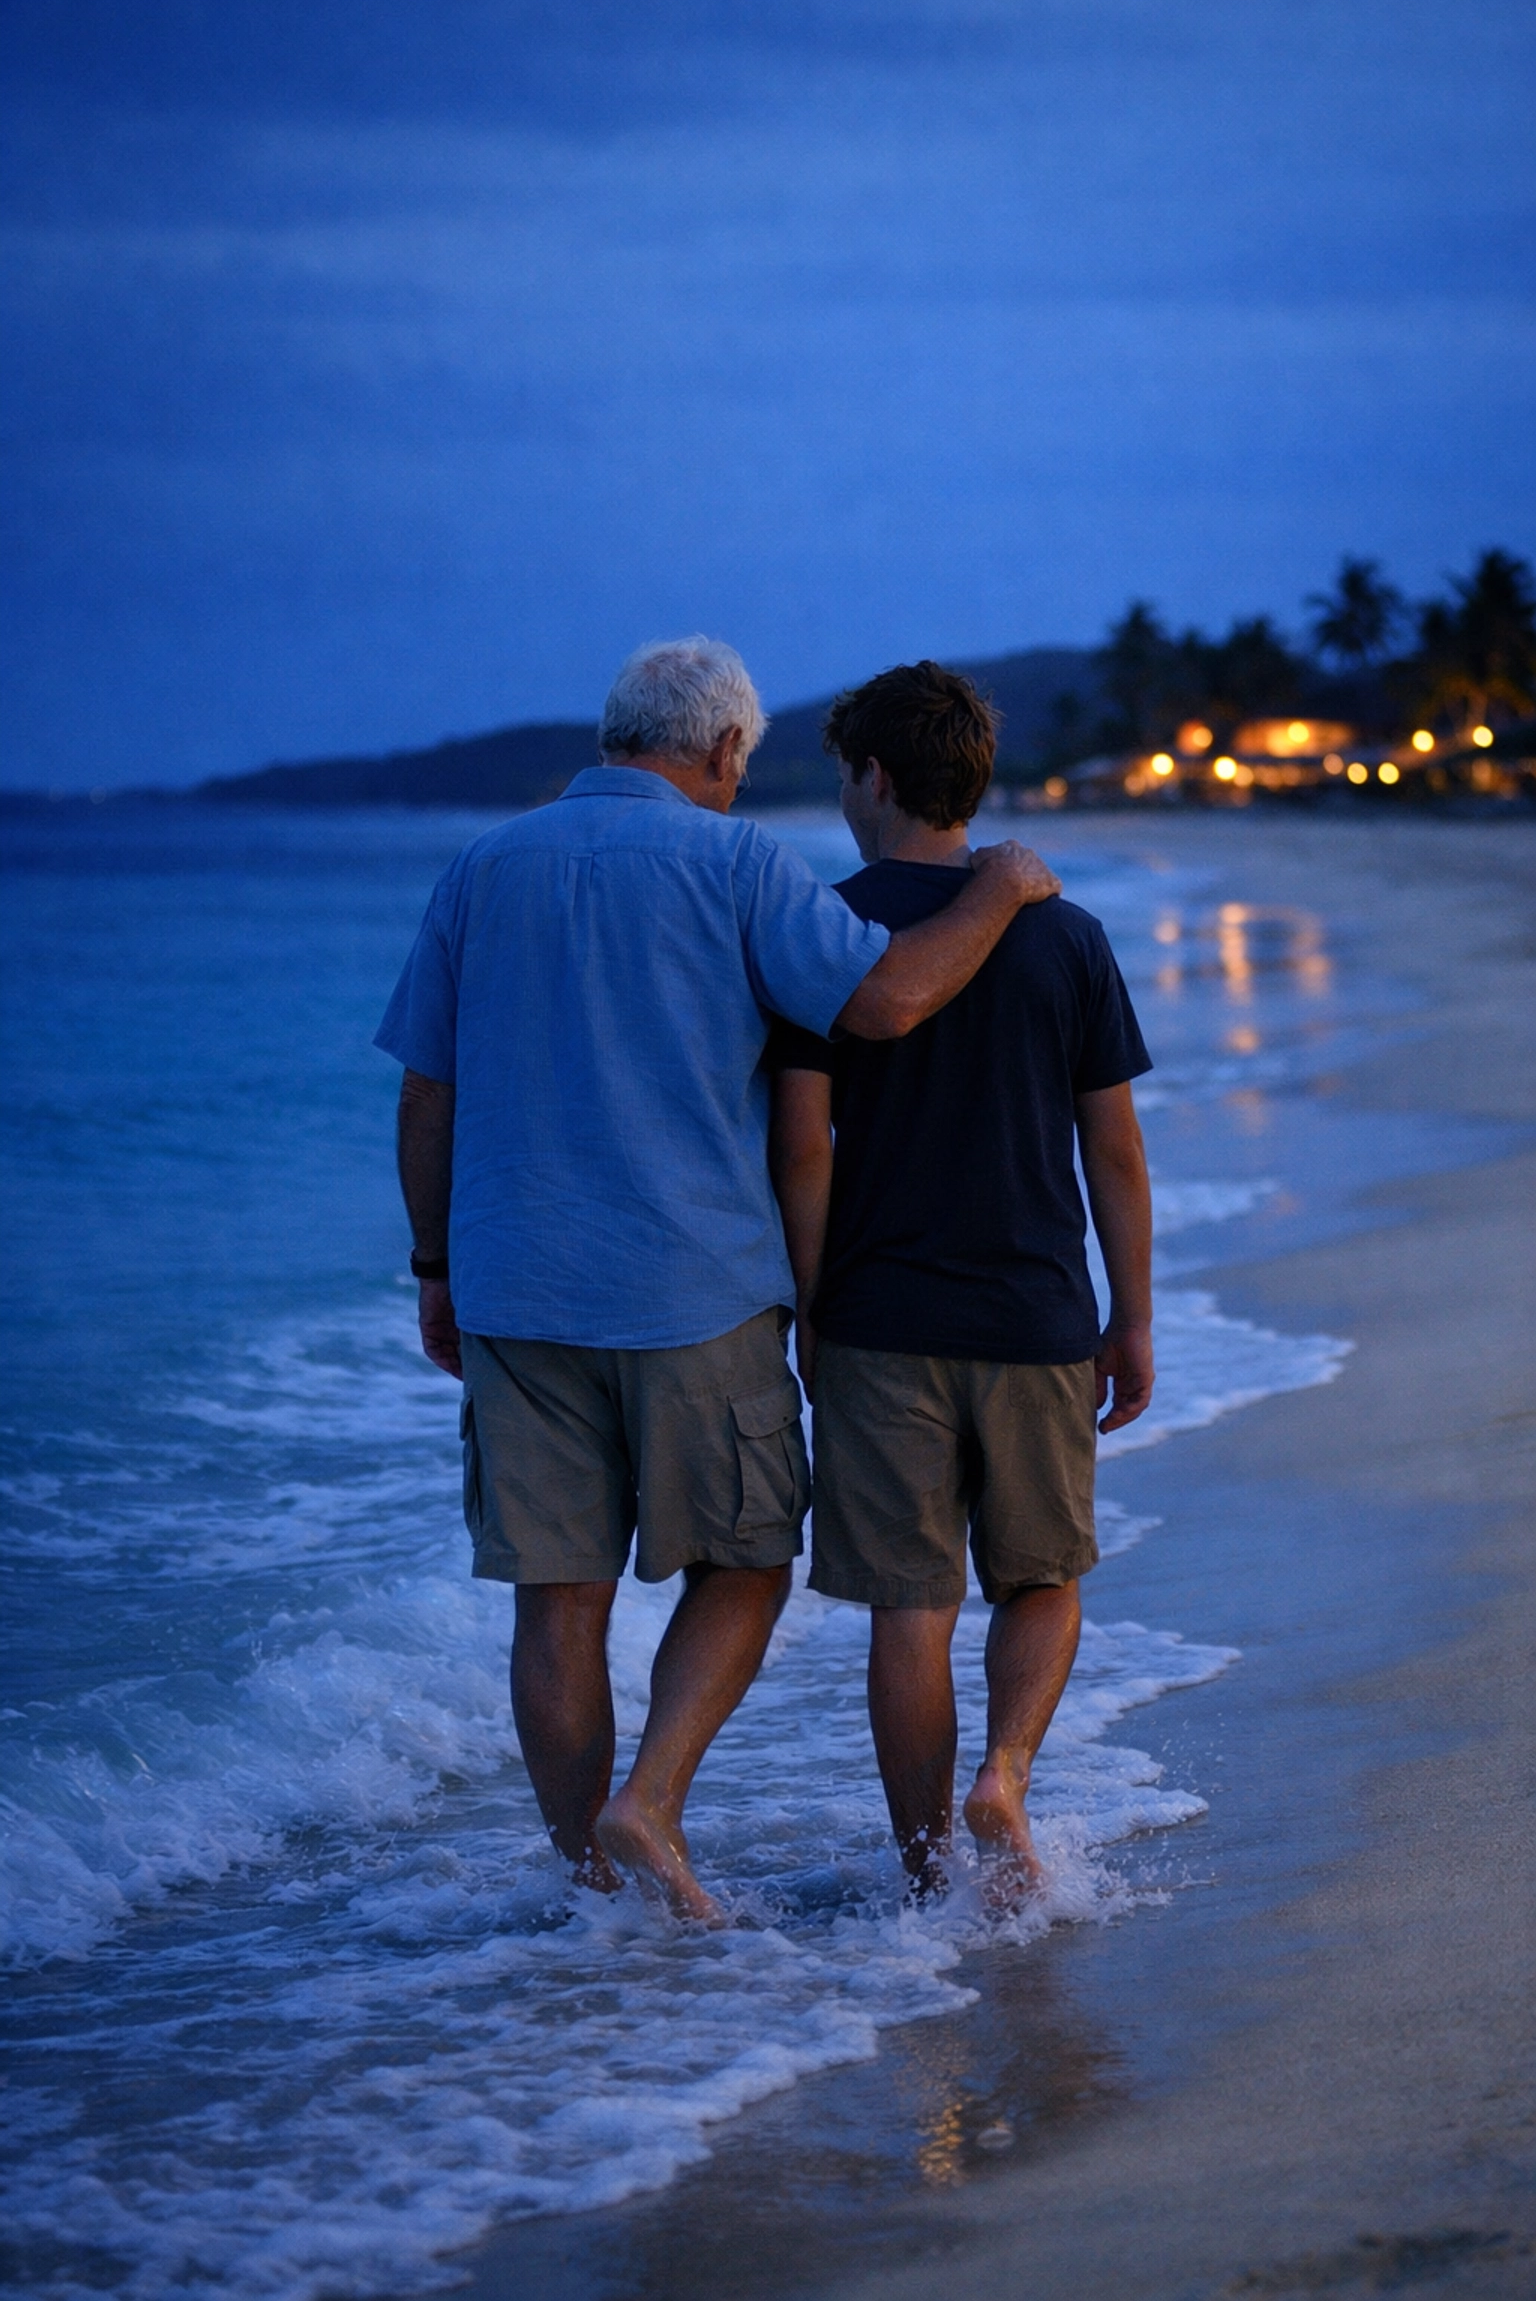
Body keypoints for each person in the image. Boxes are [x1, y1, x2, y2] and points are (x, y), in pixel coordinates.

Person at [375, 637, 1061, 1921]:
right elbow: (890, 1002)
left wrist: (433, 1267)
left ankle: (597, 1891)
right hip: (700, 1288)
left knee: (557, 1596)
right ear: (728, 750)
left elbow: (427, 1090)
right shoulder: (741, 862)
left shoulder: (483, 867)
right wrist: (1002, 890)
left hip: (519, 1292)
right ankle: (652, 1800)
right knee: (744, 1562)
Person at [768, 660, 1154, 1903]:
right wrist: (1131, 1315)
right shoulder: (1064, 935)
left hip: (883, 1319)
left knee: (910, 1606)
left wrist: (815, 1304)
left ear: (874, 777)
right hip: (1037, 1313)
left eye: (842, 773)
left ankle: (931, 1875)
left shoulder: (821, 932)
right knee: (1043, 1577)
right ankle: (1006, 1774)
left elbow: (801, 1148)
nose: (841, 795)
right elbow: (1116, 1150)